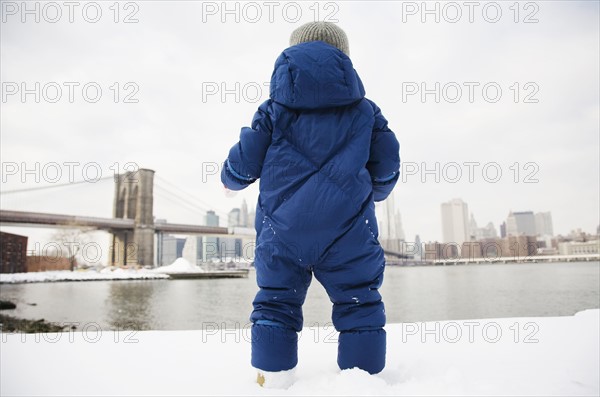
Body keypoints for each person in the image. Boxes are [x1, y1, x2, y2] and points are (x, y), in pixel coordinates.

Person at [221, 21, 400, 387]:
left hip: (281, 232)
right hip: (349, 231)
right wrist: (376, 193)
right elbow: (387, 166)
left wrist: (230, 180)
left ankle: (271, 382)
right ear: (344, 58)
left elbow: (243, 163)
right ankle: (361, 385)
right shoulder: (366, 111)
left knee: (275, 303)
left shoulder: (272, 109)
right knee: (360, 304)